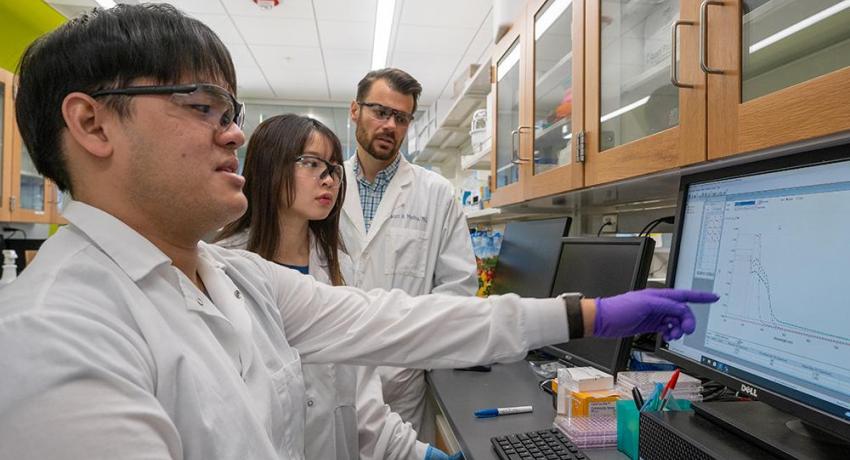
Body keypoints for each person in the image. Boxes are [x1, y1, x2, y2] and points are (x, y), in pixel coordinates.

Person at [0, 4, 717, 459]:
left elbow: (407, 317)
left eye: (232, 110)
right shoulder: (52, 337)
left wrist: (591, 312)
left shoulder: (237, 281)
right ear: (91, 124)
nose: (234, 134)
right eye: (203, 106)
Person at [214, 113, 452, 459]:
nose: (328, 180)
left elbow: (363, 399)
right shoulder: (221, 268)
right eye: (311, 163)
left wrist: (421, 455)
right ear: (270, 166)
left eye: (334, 169)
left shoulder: (339, 270)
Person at [339, 68, 479, 438]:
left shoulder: (436, 193)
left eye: (401, 118)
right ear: (355, 110)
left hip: (400, 387)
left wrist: (413, 355)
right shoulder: (326, 185)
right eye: (380, 112)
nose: (389, 125)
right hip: (330, 378)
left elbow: (458, 289)